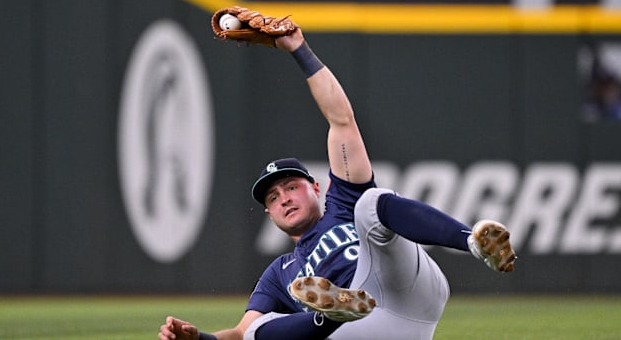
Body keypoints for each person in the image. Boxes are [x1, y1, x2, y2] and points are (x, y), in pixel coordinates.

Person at [159, 24, 516, 340]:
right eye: (273, 196)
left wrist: (299, 49)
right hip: (362, 328)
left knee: (370, 203)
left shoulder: (342, 203)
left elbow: (341, 120)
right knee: (255, 330)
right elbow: (239, 334)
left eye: (291, 186)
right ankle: (331, 314)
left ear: (316, 188)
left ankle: (473, 243)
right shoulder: (279, 273)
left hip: (405, 290)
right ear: (269, 214)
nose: (283, 197)